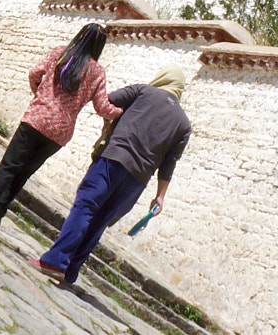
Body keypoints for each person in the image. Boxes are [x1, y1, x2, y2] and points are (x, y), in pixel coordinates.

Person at [31, 65, 192, 288]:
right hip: (136, 182)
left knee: (85, 207)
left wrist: (118, 119)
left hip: (113, 160)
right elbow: (168, 164)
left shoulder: (142, 91)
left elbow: (107, 102)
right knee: (99, 222)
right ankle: (69, 272)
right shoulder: (184, 124)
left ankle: (56, 261)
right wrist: (160, 197)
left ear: (162, 78)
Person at [0, 23, 119, 230]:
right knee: (24, 172)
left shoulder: (61, 54)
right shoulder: (97, 72)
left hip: (37, 118)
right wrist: (121, 112)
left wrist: (40, 95)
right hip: (59, 133)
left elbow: (34, 73)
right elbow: (103, 108)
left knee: (9, 166)